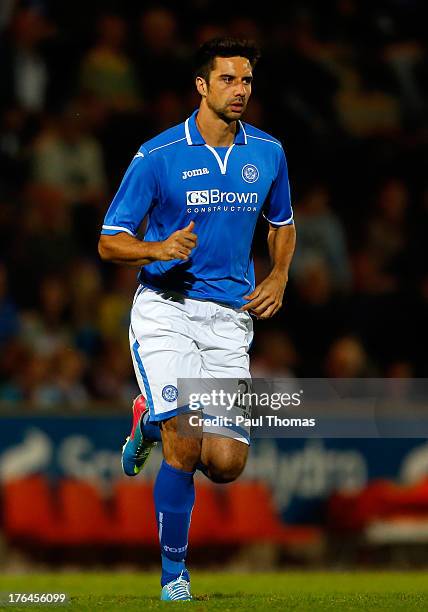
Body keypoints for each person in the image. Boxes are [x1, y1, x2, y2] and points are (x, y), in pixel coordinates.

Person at [98, 37, 296, 601]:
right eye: (230, 80)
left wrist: (279, 275)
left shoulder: (269, 153)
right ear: (202, 86)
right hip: (167, 312)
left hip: (230, 319)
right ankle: (174, 578)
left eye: (248, 80)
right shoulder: (158, 156)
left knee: (228, 464)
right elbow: (111, 242)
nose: (241, 90)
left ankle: (146, 417)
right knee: (183, 444)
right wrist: (156, 249)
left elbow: (282, 223)